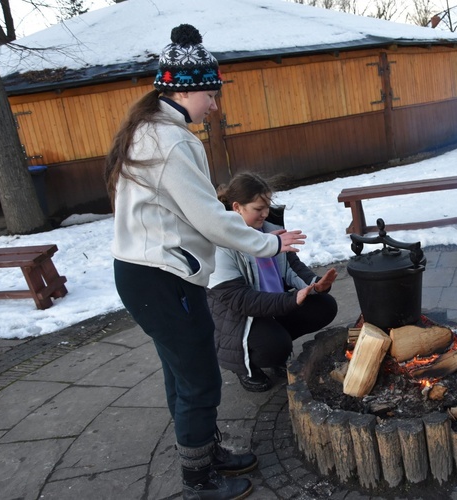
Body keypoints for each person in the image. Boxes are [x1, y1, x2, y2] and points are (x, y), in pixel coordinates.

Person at [105, 25, 306, 500]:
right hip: (160, 278)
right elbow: (213, 219)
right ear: (186, 88)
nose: (214, 104)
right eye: (210, 94)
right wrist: (272, 245)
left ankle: (205, 451)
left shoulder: (153, 128)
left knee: (182, 371)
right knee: (197, 375)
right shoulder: (172, 142)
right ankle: (199, 479)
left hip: (151, 274)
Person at [207, 172, 338, 392]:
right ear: (237, 207)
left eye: (267, 206)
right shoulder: (219, 243)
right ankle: (245, 367)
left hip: (270, 306)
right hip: (237, 319)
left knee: (325, 305)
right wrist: (290, 300)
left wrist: (316, 285)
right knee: (273, 346)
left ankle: (275, 342)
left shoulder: (269, 230)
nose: (265, 214)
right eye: (259, 209)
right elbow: (241, 300)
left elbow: (292, 267)